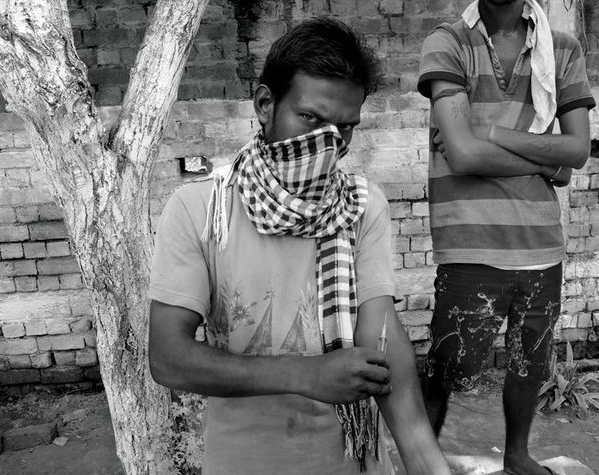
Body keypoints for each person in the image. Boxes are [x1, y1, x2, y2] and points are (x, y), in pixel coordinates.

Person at [148, 17, 450, 475]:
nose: (327, 144)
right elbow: (169, 358)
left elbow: (382, 342)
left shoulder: (361, 207)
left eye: (344, 128)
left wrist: (427, 464)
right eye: (310, 118)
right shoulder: (200, 209)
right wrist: (306, 375)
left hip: (353, 461)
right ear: (266, 105)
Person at [417, 1, 594, 474]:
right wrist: (547, 163)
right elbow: (463, 154)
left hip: (540, 243)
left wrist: (489, 131)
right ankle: (422, 461)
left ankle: (517, 456)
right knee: (446, 364)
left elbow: (578, 149)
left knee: (529, 360)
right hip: (471, 239)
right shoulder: (449, 42)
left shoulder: (561, 49)